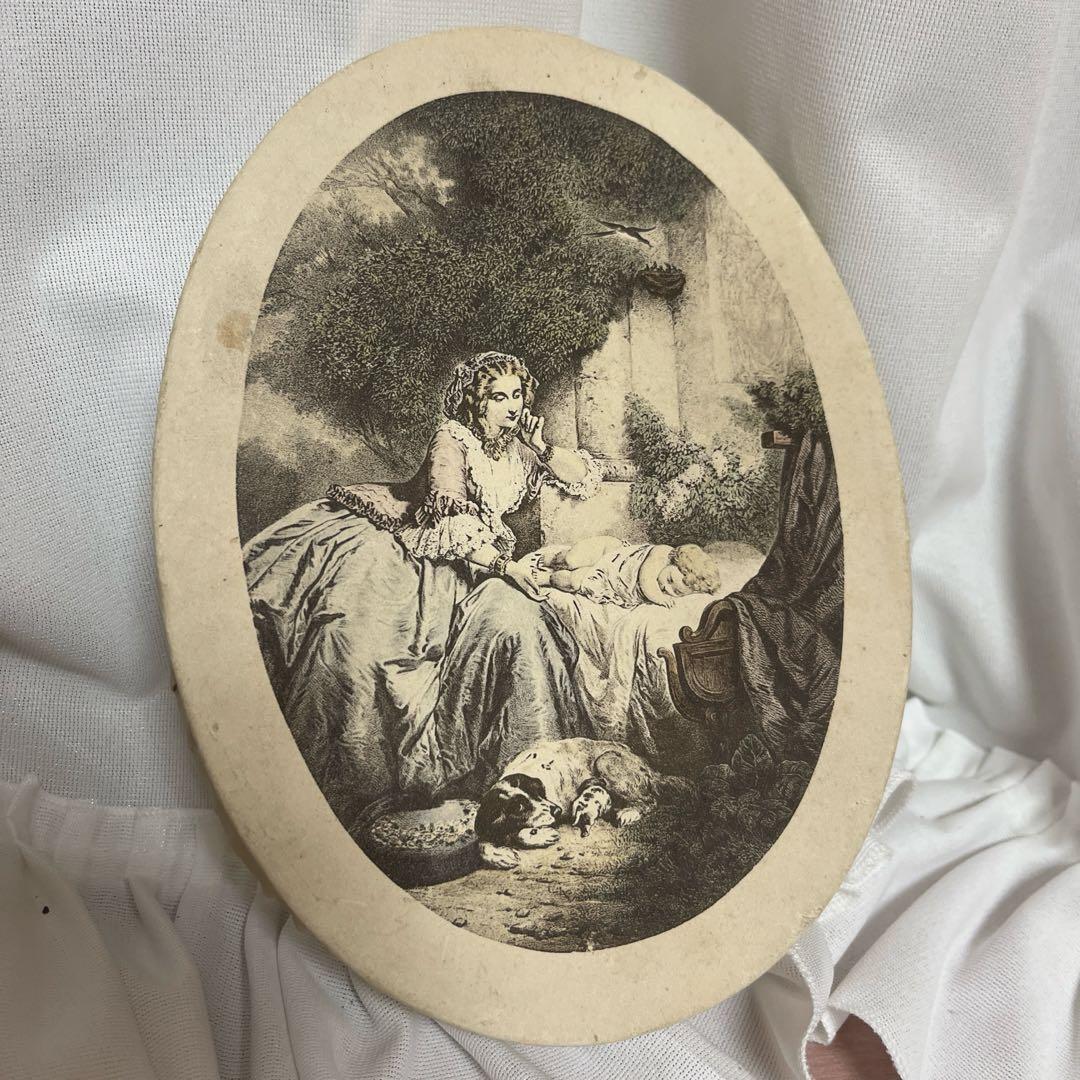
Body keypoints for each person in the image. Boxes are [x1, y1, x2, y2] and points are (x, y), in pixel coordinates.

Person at [242, 351, 602, 832]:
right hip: (414, 549)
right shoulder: (452, 440)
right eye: (498, 397)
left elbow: (584, 479)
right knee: (364, 649)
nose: (512, 406)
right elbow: (447, 525)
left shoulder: (518, 448)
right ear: (476, 403)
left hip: (474, 558)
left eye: (517, 395)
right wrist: (504, 566)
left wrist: (543, 448)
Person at [534, 535, 723, 608]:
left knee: (573, 582)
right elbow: (645, 580)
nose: (666, 588)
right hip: (611, 553)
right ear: (675, 561)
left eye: (677, 592)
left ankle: (548, 578)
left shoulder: (676, 579)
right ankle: (554, 559)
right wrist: (659, 598)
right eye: (670, 580)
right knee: (572, 559)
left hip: (607, 580)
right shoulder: (661, 554)